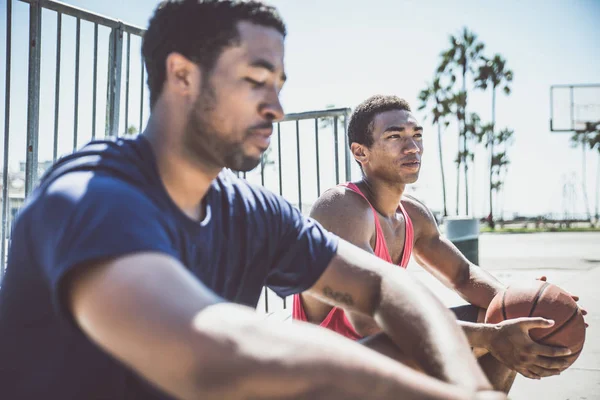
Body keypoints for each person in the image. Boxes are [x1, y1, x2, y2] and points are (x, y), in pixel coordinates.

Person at [0, 1, 506, 399]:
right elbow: (213, 352)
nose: (278, 108)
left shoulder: (252, 212)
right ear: (182, 76)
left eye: (279, 85)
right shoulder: (93, 199)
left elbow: (384, 286)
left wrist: (472, 384)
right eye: (255, 81)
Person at [293, 95, 584, 393]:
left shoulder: (412, 214)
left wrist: (539, 308)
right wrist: (489, 335)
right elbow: (370, 324)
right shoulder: (341, 208)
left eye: (416, 135)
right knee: (490, 331)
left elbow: (463, 276)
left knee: (505, 316)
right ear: (360, 152)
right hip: (325, 373)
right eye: (395, 136)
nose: (412, 147)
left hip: (375, 360)